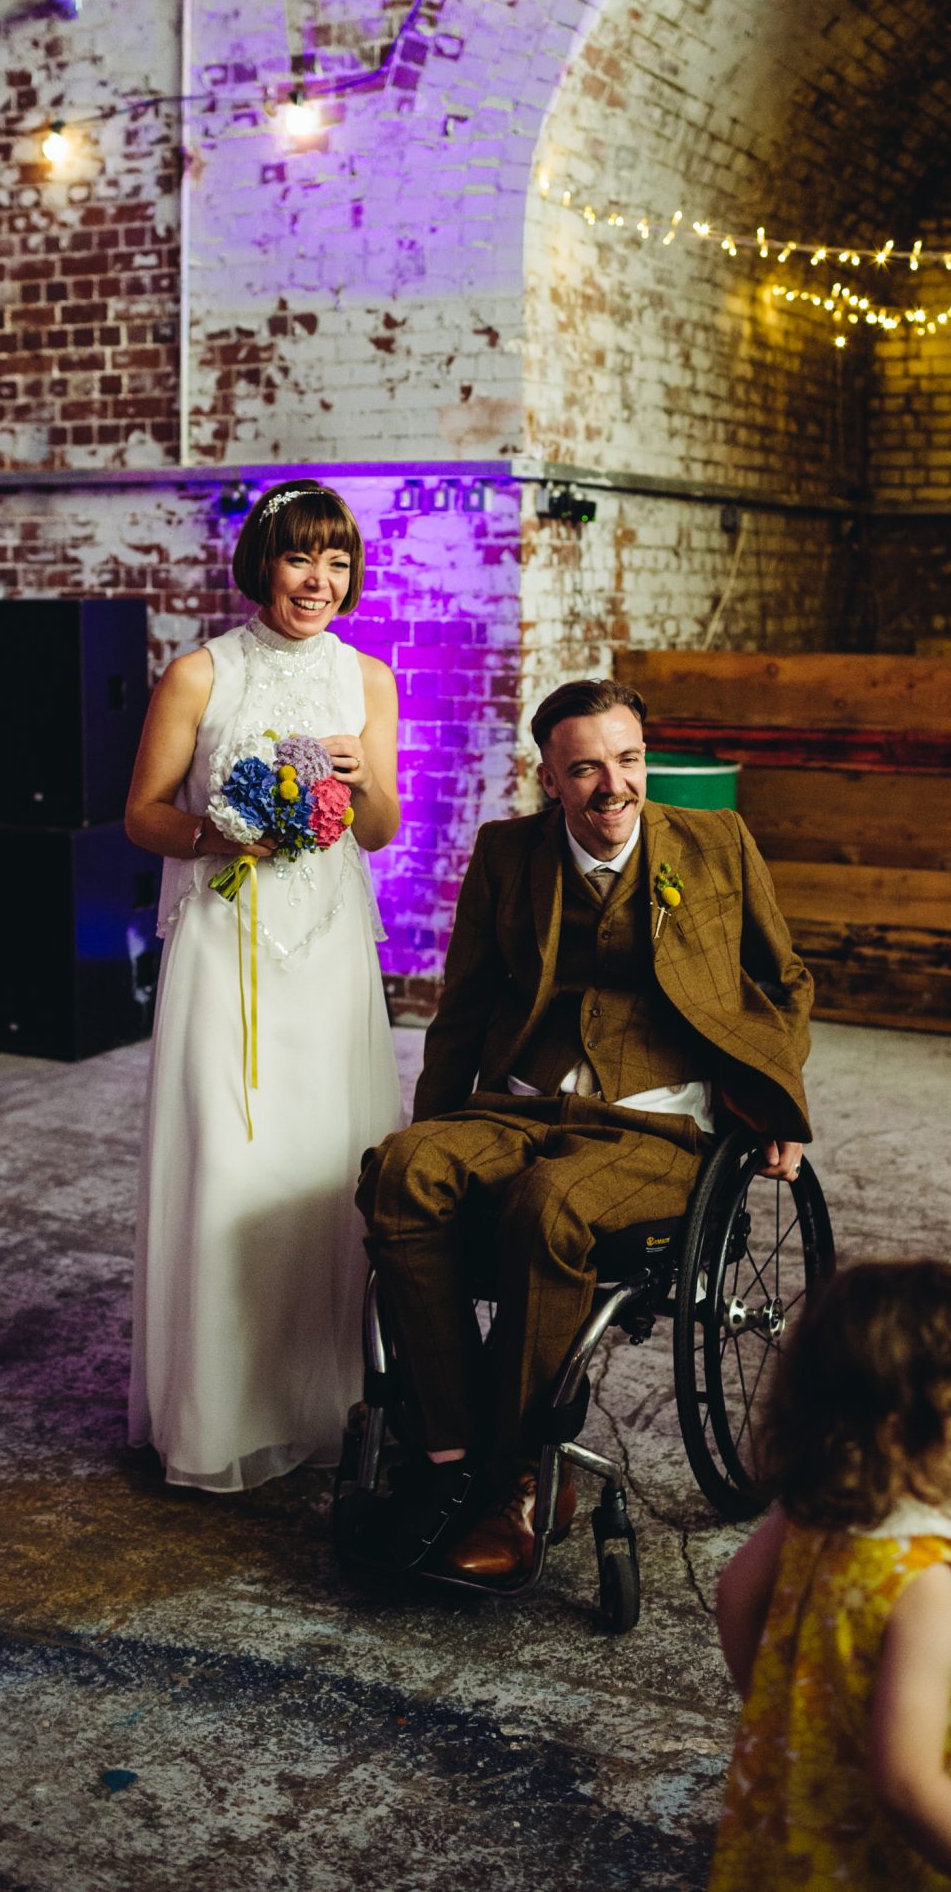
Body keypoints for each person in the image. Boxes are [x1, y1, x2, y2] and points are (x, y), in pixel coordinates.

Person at [356, 676, 812, 1577]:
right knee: (402, 1171)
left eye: (630, 760)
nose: (616, 787)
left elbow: (785, 979)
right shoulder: (506, 852)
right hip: (521, 1099)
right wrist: (438, 1124)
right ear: (550, 778)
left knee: (548, 1205)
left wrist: (778, 1101)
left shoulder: (715, 844)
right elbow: (466, 1003)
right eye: (588, 769)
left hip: (652, 1126)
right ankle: (449, 1452)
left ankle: (523, 1478)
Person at [125, 480, 403, 1492]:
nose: (318, 581)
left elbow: (379, 831)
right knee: (229, 1168)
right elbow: (141, 814)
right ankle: (216, 1415)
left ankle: (322, 1401)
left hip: (327, 954)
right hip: (225, 942)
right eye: (299, 558)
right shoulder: (202, 673)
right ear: (263, 564)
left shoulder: (368, 680)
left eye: (335, 562)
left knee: (327, 1175)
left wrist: (362, 778)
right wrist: (215, 829)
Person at [709, 1258, 951, 1892]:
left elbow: (735, 1597)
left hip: (779, 1827)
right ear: (901, 1434)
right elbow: (909, 1786)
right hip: (869, 1861)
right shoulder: (928, 1576)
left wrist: (780, 1727)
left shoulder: (814, 1504)